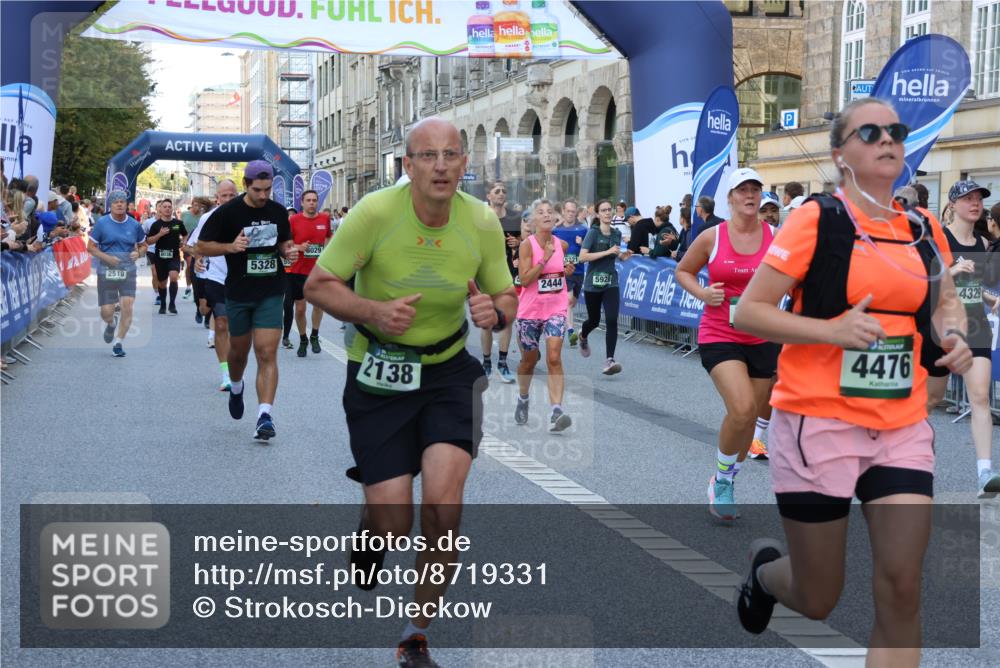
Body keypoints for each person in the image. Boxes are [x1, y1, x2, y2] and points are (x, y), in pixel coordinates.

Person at [733, 99, 973, 668]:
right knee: (819, 597)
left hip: (900, 425)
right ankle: (767, 577)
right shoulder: (817, 220)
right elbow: (749, 312)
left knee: (902, 585)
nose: (887, 139)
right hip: (818, 422)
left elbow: (946, 301)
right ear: (840, 154)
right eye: (870, 132)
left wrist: (954, 335)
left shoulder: (922, 227)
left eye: (896, 131)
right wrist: (831, 331)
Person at [304, 118, 516, 668]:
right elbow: (317, 285)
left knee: (444, 510)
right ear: (408, 165)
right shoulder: (375, 212)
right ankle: (372, 527)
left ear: (465, 163)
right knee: (395, 525)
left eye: (450, 155)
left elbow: (505, 295)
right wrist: (374, 311)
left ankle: (415, 634)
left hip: (448, 373)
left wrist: (495, 312)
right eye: (427, 155)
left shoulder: (481, 221)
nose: (440, 166)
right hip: (380, 372)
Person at [676, 168, 779, 520]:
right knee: (743, 408)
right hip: (721, 333)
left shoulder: (776, 237)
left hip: (763, 336)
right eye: (742, 190)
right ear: (731, 198)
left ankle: (728, 477)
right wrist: (703, 293)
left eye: (755, 189)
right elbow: (683, 271)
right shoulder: (713, 236)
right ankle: (721, 481)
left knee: (748, 422)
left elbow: (795, 278)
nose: (749, 195)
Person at [197, 161, 298, 441]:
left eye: (267, 189)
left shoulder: (278, 211)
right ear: (245, 185)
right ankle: (237, 386)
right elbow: (202, 245)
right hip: (239, 292)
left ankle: (264, 416)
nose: (263, 195)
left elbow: (283, 243)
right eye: (257, 190)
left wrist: (288, 251)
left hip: (271, 289)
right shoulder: (228, 213)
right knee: (238, 354)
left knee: (266, 352)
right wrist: (230, 246)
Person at [924, 180, 1000, 497]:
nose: (975, 203)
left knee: (980, 397)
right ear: (952, 204)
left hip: (975, 325)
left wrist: (990, 298)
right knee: (930, 400)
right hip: (940, 326)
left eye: (979, 198)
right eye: (967, 198)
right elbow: (920, 283)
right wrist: (951, 272)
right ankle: (909, 459)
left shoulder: (982, 243)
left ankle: (984, 472)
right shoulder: (937, 239)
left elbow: (973, 285)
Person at [514, 199, 576, 431]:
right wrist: (544, 259)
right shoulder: (527, 245)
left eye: (550, 211)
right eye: (541, 212)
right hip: (530, 311)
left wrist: (566, 272)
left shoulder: (562, 245)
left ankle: (556, 411)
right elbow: (525, 279)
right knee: (528, 362)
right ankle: (523, 398)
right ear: (534, 220)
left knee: (554, 357)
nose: (547, 215)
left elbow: (559, 273)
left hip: (555, 309)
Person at [185, 182, 238, 390]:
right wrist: (199, 258)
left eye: (232, 195)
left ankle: (236, 366)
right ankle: (226, 374)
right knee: (222, 322)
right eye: (224, 196)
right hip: (216, 276)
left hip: (241, 278)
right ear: (217, 198)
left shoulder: (247, 217)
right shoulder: (208, 218)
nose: (228, 199)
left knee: (237, 328)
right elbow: (194, 245)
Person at [87, 190, 146, 358]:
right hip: (107, 271)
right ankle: (111, 323)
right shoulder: (102, 223)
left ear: (127, 205)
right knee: (107, 312)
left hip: (128, 271)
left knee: (127, 306)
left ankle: (118, 342)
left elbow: (144, 245)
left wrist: (138, 253)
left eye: (122, 202)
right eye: (115, 202)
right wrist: (107, 258)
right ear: (110, 206)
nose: (119, 204)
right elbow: (90, 247)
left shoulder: (134, 224)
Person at [578, 198, 631, 375]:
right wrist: (607, 252)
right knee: (593, 320)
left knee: (611, 319)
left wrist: (623, 256)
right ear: (598, 214)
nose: (608, 213)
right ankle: (583, 335)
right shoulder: (593, 233)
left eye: (609, 209)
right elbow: (582, 257)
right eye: (604, 210)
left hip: (610, 282)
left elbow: (615, 255)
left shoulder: (616, 234)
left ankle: (610, 360)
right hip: (593, 284)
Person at [283, 189, 332, 356]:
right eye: (308, 200)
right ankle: (303, 338)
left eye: (314, 200)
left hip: (317, 270)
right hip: (297, 270)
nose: (312, 203)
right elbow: (285, 243)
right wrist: (298, 247)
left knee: (319, 305)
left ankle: (315, 335)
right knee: (300, 309)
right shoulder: (293, 220)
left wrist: (328, 251)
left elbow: (328, 237)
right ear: (302, 203)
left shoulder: (324, 219)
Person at [481, 180, 521, 383]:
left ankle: (503, 364)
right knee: (487, 322)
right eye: (497, 191)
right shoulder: (481, 217)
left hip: (508, 275)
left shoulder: (514, 218)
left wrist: (518, 243)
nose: (501, 194)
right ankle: (486, 363)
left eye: (504, 191)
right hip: (485, 275)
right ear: (488, 195)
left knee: (507, 319)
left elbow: (526, 242)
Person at [551, 198, 587, 346]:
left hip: (579, 271)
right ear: (563, 211)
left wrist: (582, 243)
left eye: (573, 211)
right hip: (564, 271)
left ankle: (563, 321)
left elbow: (590, 248)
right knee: (569, 300)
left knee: (572, 303)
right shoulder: (556, 230)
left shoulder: (583, 229)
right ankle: (571, 330)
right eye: (568, 211)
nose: (571, 214)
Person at [145, 199, 187, 315]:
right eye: (165, 207)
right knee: (162, 283)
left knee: (173, 276)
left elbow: (185, 234)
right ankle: (163, 303)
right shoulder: (156, 225)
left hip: (174, 255)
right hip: (160, 257)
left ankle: (172, 304)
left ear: (172, 209)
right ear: (160, 209)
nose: (167, 209)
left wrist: (183, 242)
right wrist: (160, 234)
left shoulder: (178, 223)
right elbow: (149, 241)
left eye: (169, 207)